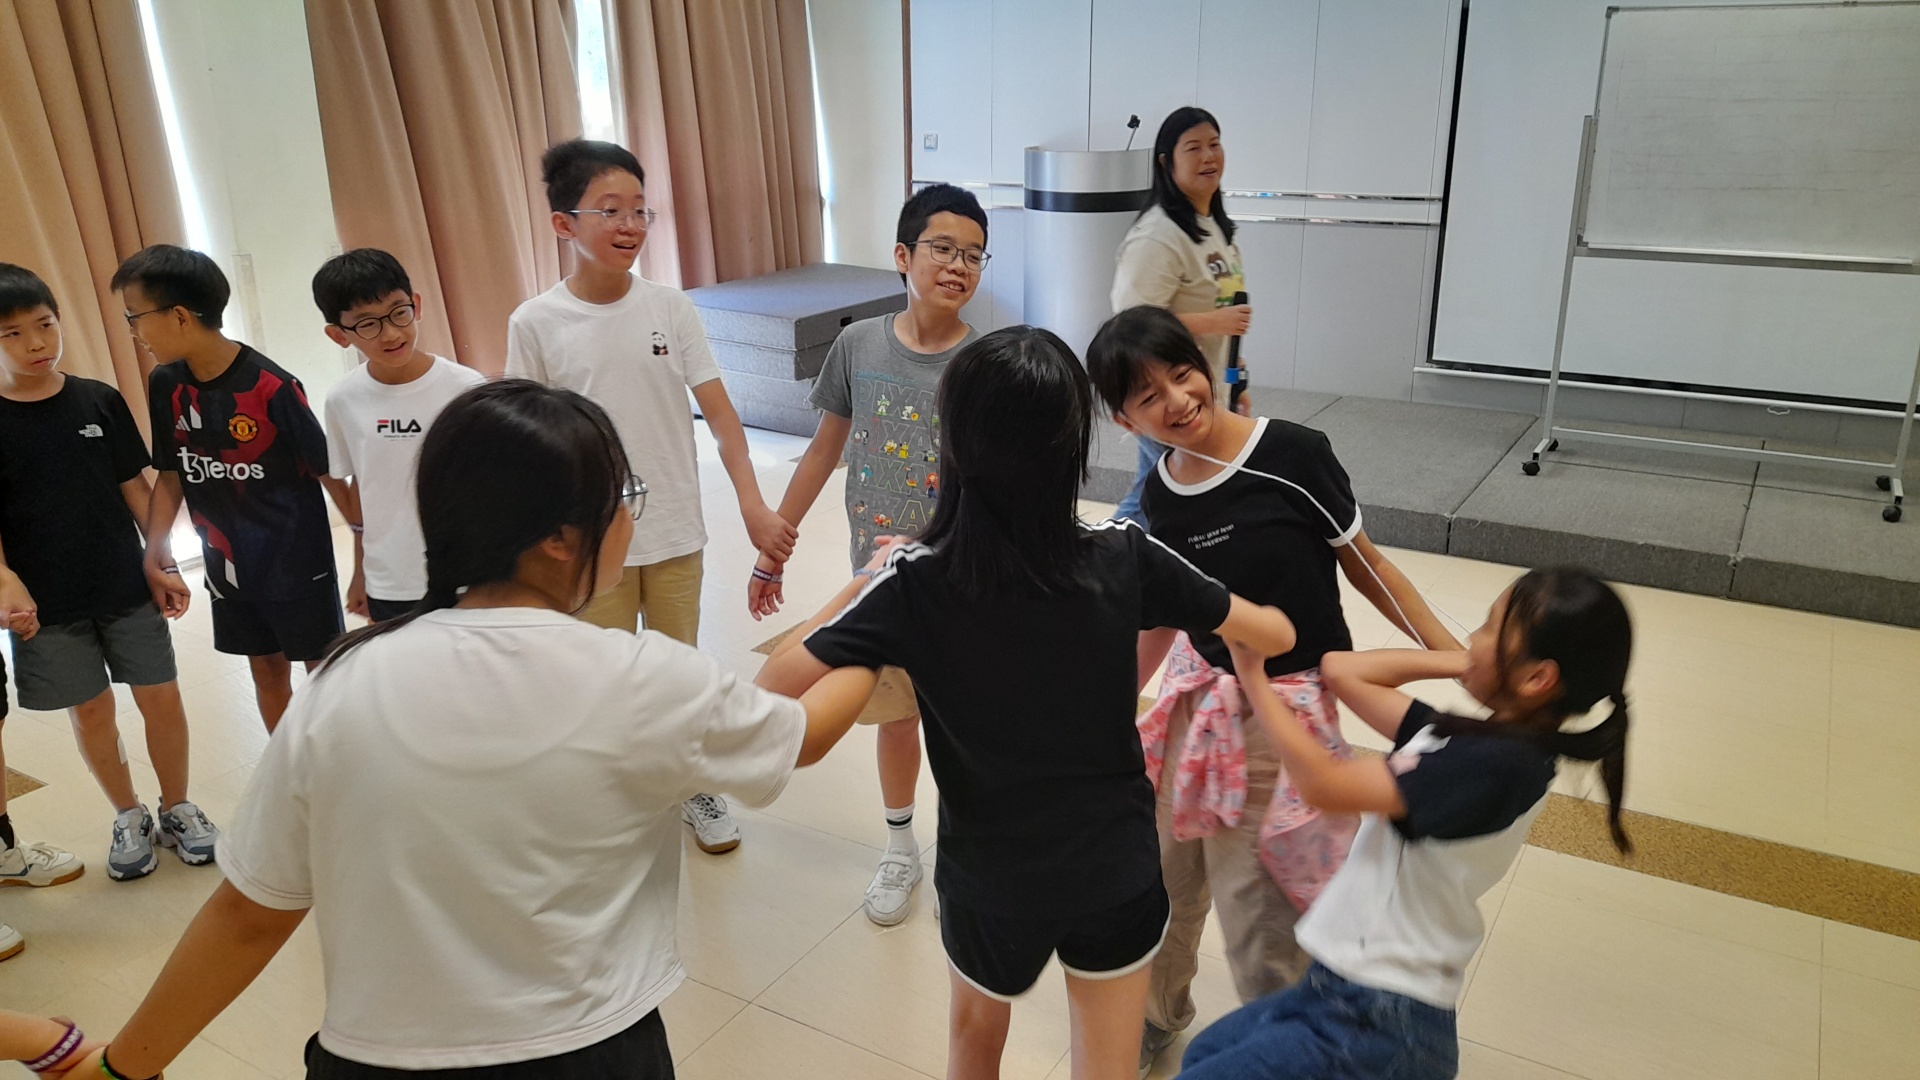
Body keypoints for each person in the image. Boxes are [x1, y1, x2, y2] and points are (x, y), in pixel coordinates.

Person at [67, 380, 878, 1080]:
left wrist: (121, 1064)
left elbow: (250, 915)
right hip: (588, 1050)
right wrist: (884, 614)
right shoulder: (640, 676)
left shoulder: (344, 681)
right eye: (622, 500)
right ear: (558, 539)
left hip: (373, 1059)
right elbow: (801, 734)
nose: (630, 521)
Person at [755, 326, 1298, 1080]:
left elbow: (773, 686)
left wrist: (865, 582)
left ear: (955, 445)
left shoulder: (915, 583)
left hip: (989, 878)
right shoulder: (1126, 556)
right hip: (1114, 868)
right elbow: (1273, 632)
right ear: (1072, 448)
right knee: (1106, 1065)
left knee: (973, 1046)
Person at [1085, 305, 1463, 1075]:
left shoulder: (1292, 454)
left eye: (1182, 374)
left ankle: (1293, 1053)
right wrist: (1104, 717)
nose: (1178, 400)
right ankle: (1155, 1016)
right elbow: (1164, 617)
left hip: (1282, 715)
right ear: (1125, 420)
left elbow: (1370, 566)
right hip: (1194, 704)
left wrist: (1453, 656)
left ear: (1205, 365)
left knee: (1263, 910)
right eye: (1149, 396)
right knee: (1161, 880)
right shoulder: (1158, 494)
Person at [1181, 567, 1634, 1080]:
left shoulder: (1499, 767)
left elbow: (1325, 785)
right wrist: (1472, 662)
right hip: (1337, 988)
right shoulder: (1469, 739)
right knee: (1204, 1055)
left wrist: (1253, 677)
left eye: (1489, 628)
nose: (1471, 638)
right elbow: (1342, 671)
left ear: (1538, 678)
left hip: (1382, 1018)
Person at [508, 138, 793, 855]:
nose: (631, 225)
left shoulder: (670, 307)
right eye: (611, 210)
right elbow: (528, 439)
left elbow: (721, 416)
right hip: (587, 539)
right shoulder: (535, 322)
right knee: (601, 677)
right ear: (565, 224)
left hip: (672, 527)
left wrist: (752, 503)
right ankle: (615, 792)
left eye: (640, 210)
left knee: (676, 670)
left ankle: (690, 783)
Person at [746, 182, 987, 926]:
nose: (959, 266)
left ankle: (969, 855)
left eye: (974, 255)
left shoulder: (984, 362)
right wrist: (775, 544)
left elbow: (990, 482)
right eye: (944, 248)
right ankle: (899, 846)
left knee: (965, 721)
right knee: (897, 714)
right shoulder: (858, 345)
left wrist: (936, 542)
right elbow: (825, 450)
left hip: (960, 573)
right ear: (903, 256)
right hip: (876, 574)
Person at [0, 262, 212, 882]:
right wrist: (7, 582)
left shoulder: (98, 399)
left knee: (161, 695)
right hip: (47, 603)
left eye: (45, 324)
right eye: (12, 333)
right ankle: (128, 814)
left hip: (124, 585)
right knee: (91, 712)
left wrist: (161, 561)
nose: (36, 343)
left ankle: (177, 808)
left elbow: (135, 488)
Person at [114, 245, 347, 734]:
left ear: (179, 316)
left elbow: (328, 472)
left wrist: (365, 548)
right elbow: (171, 474)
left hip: (297, 565)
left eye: (135, 317)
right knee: (265, 670)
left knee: (325, 675)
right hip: (229, 566)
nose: (134, 332)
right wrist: (154, 552)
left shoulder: (272, 386)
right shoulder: (166, 384)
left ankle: (338, 766)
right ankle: (285, 766)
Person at [313, 248, 484, 623]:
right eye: (367, 324)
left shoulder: (467, 389)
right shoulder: (343, 399)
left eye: (398, 312)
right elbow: (363, 492)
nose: (391, 333)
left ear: (416, 305)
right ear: (338, 335)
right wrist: (361, 572)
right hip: (389, 581)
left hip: (467, 575)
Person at [1110, 106, 1251, 528]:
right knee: (1157, 497)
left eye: (1214, 144)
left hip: (1206, 389)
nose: (1208, 157)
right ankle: (1104, 558)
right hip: (1166, 396)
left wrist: (1235, 377)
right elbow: (1132, 323)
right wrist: (1215, 323)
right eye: (1193, 148)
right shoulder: (1157, 235)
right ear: (1165, 162)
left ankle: (1112, 558)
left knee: (1162, 495)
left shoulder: (1210, 226)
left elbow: (1222, 310)